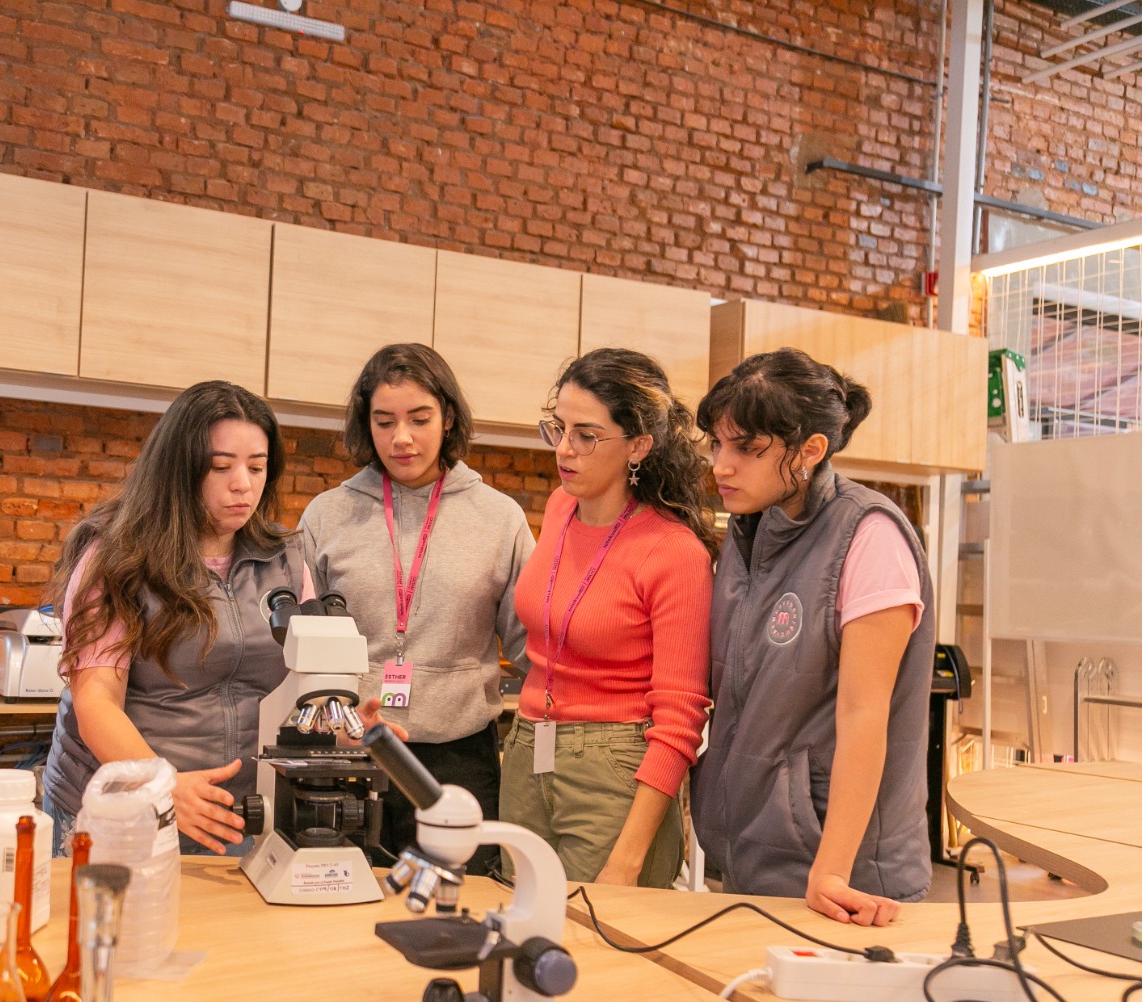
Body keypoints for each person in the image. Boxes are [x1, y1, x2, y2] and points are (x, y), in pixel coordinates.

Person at [42, 380, 404, 857]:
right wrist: (161, 786)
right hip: (125, 813)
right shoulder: (116, 556)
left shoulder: (287, 559)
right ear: (179, 469)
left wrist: (341, 724)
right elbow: (96, 704)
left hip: (234, 813)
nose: (243, 484)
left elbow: (296, 691)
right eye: (221, 467)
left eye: (257, 467)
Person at [692, 348, 933, 927]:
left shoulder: (868, 536)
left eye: (746, 449)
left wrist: (831, 871)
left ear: (810, 451)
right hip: (754, 863)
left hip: (847, 883)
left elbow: (863, 718)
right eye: (717, 445)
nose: (722, 466)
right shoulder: (748, 539)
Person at [299, 343, 533, 874]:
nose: (401, 438)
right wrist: (336, 717)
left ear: (448, 417)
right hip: (351, 750)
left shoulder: (499, 517)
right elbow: (299, 652)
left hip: (459, 759)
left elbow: (528, 641)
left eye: (419, 419)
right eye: (384, 422)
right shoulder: (327, 516)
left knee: (457, 910)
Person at [499, 349, 717, 887]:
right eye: (560, 428)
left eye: (587, 435)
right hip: (527, 752)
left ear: (639, 444)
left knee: (597, 949)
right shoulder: (558, 508)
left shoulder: (673, 551)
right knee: (521, 933)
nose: (565, 450)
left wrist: (628, 860)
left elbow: (680, 720)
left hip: (615, 769)